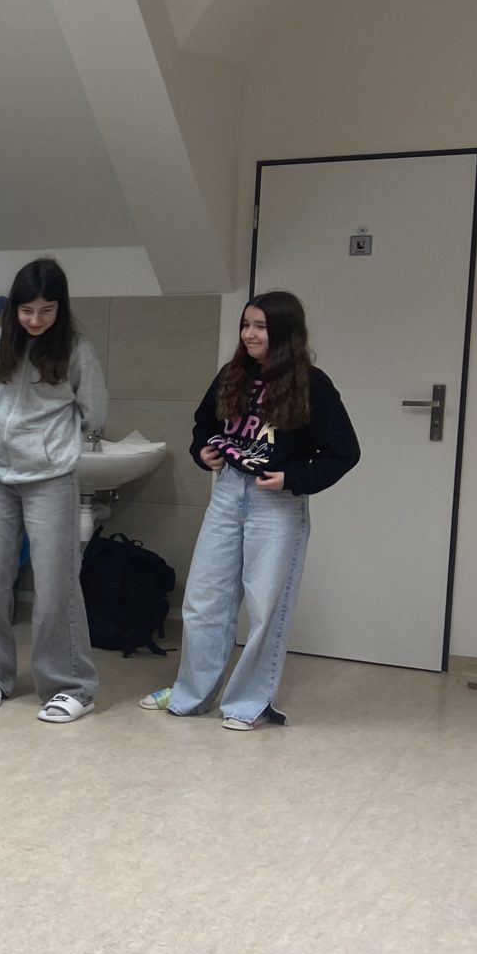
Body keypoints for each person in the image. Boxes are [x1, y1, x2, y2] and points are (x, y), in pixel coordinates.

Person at [140, 292, 359, 730]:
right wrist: (203, 451)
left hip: (275, 504)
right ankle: (190, 695)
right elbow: (204, 424)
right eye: (245, 325)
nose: (249, 334)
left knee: (265, 607)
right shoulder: (232, 374)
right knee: (204, 602)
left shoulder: (312, 383)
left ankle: (249, 703)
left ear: (284, 333)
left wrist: (293, 478)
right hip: (227, 493)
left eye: (260, 326)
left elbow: (344, 451)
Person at [0, 258, 108, 724]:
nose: (35, 320)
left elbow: (94, 413)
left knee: (55, 587)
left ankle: (71, 686)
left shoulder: (77, 351)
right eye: (27, 310)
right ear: (14, 308)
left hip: (50, 478)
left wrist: (57, 447)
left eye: (46, 310)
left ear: (60, 308)